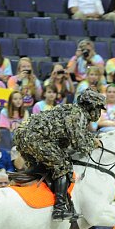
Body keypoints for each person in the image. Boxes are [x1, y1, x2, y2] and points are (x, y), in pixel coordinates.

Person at [13, 89, 104, 221]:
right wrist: (93, 143)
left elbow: (67, 137)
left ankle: (35, 194)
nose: (99, 112)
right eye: (98, 108)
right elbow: (79, 144)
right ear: (90, 106)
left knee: (46, 166)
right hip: (36, 138)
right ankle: (60, 209)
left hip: (24, 137)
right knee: (63, 165)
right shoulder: (78, 114)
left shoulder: (70, 110)